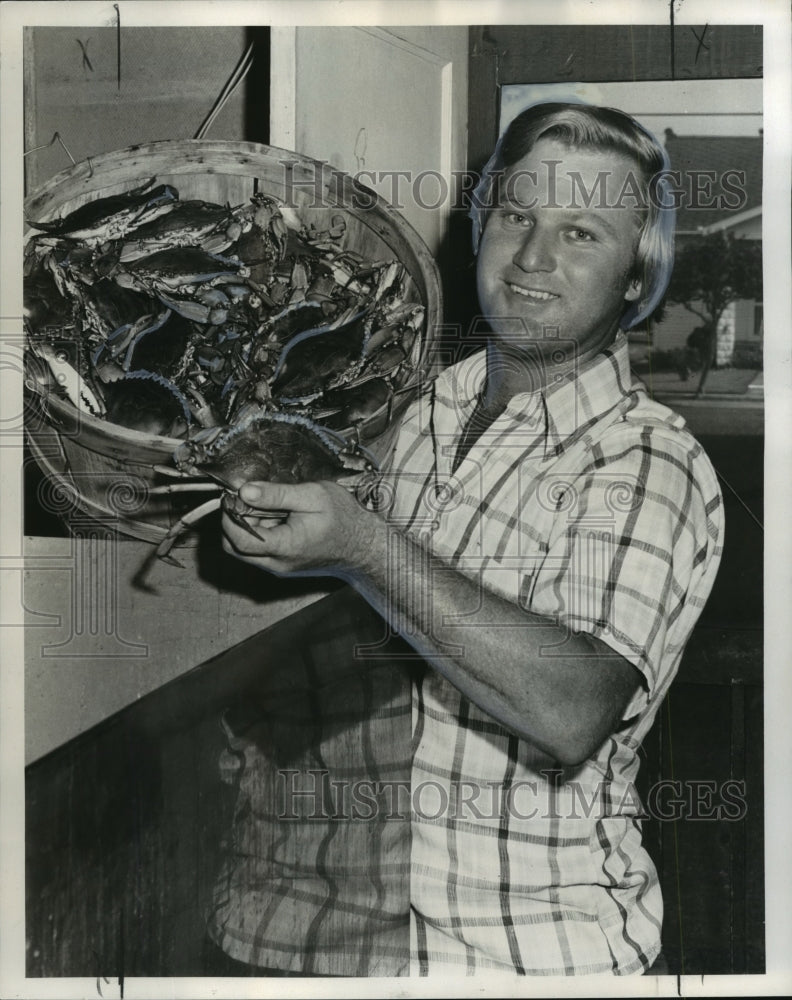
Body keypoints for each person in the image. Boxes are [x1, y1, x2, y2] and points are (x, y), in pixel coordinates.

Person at [212, 102, 724, 975]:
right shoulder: (394, 409)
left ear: (638, 279)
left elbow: (570, 710)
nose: (531, 258)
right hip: (297, 931)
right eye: (516, 216)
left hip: (522, 958)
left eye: (581, 233)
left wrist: (365, 549)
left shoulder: (649, 462)